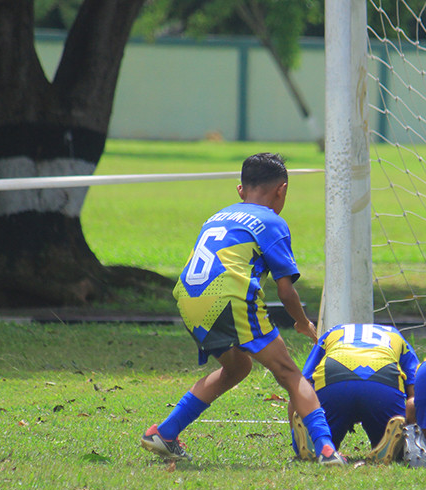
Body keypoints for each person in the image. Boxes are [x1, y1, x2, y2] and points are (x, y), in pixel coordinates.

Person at [140, 153, 343, 466]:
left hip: (188, 299)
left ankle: (165, 432)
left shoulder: (218, 216)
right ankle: (327, 449)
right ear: (282, 190)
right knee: (289, 373)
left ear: (240, 190)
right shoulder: (272, 221)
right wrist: (302, 323)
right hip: (228, 297)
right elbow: (286, 290)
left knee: (238, 368)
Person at [289, 323, 419, 464]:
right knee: (394, 440)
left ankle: (315, 442)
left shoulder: (333, 331)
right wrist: (413, 427)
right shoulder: (395, 333)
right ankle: (392, 447)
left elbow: (303, 384)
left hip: (335, 373)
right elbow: (415, 393)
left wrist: (295, 434)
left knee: (324, 439)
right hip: (382, 376)